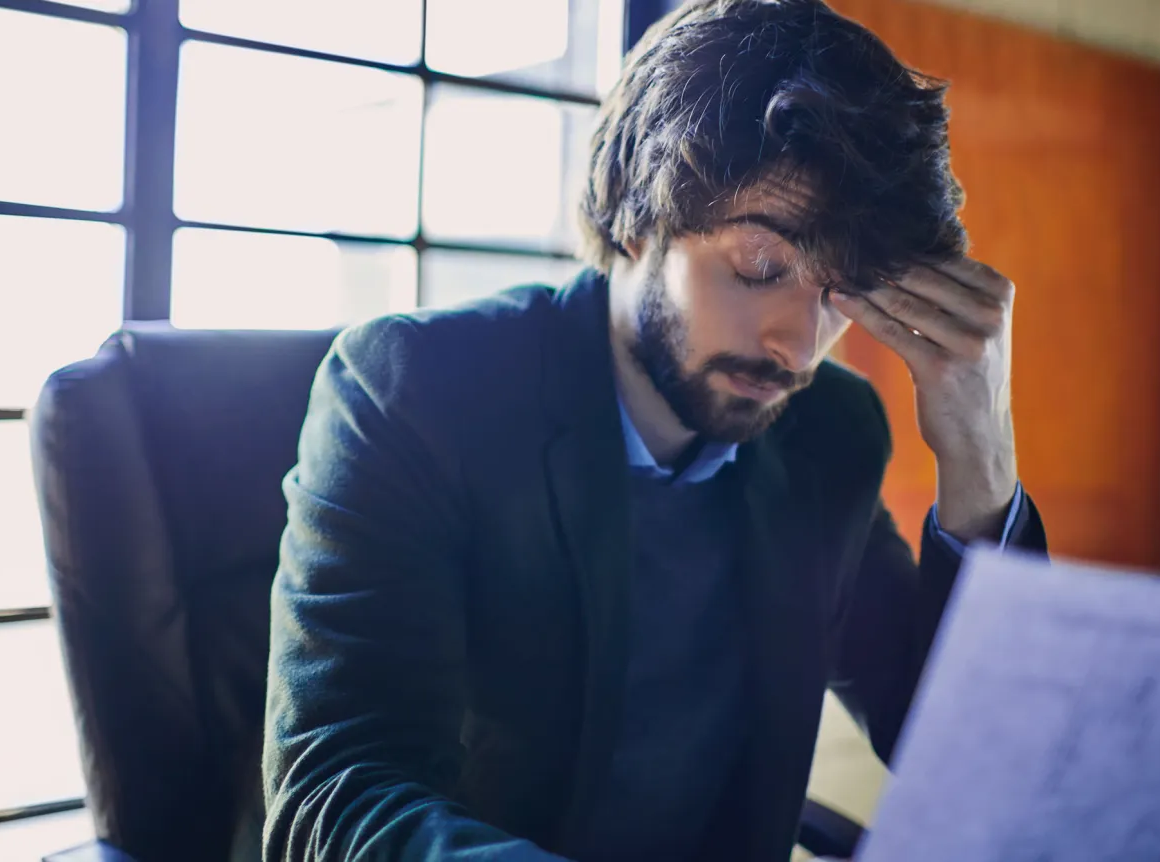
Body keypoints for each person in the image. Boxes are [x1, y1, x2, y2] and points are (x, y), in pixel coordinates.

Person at [262, 1, 1048, 859]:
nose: (798, 344)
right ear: (639, 216)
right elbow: (334, 794)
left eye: (842, 293)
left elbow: (971, 755)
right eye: (759, 268)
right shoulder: (414, 393)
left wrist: (981, 459)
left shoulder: (827, 429)